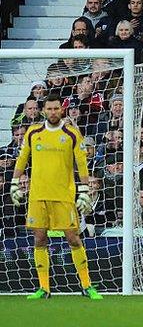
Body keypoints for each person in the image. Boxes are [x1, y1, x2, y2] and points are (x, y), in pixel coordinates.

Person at [10, 94, 102, 299]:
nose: (53, 112)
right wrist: (15, 182)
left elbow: (81, 163)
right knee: (39, 239)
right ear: (43, 110)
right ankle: (44, 288)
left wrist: (85, 189)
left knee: (74, 238)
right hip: (38, 195)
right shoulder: (33, 132)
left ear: (62, 109)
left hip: (64, 196)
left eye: (56, 108)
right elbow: (22, 158)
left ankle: (86, 286)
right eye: (49, 109)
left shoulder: (71, 134)